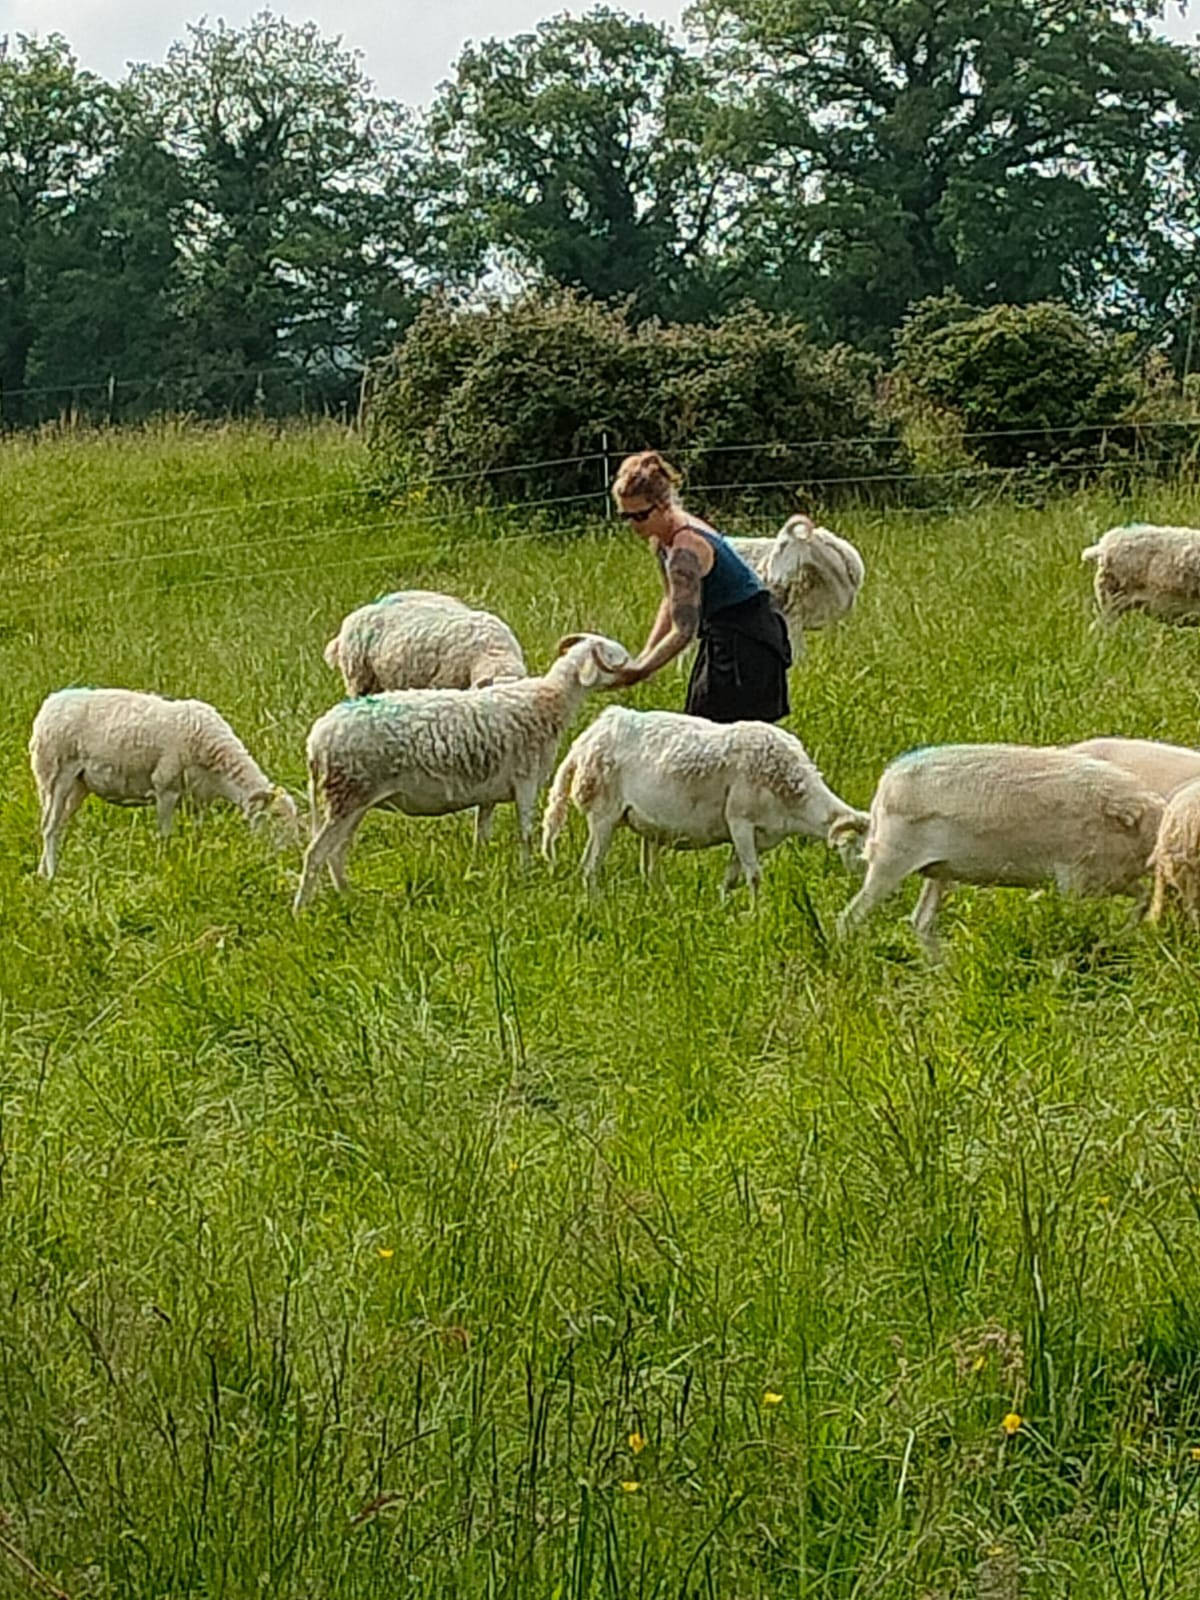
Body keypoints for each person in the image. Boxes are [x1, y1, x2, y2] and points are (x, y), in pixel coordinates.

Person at [608, 450, 791, 722]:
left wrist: (642, 670)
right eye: (626, 517)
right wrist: (645, 655)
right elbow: (671, 599)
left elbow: (684, 630)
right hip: (722, 632)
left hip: (748, 640)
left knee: (718, 734)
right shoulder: (661, 539)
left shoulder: (686, 549)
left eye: (640, 516)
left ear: (663, 505)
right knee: (701, 725)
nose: (633, 525)